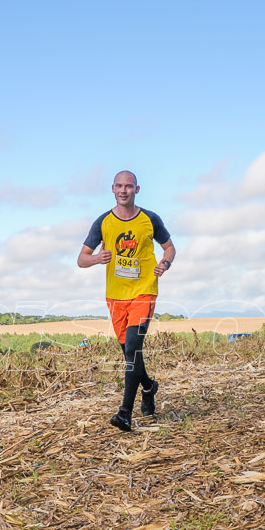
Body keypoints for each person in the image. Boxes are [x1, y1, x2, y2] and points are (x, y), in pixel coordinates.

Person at [78, 170, 175, 432]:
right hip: (116, 296)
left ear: (137, 189)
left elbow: (169, 247)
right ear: (112, 189)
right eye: (119, 186)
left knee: (133, 347)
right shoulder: (103, 222)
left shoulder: (150, 219)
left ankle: (124, 413)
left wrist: (164, 263)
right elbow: (81, 259)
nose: (124, 191)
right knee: (130, 353)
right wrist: (97, 258)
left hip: (144, 290)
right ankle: (149, 386)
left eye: (129, 186)